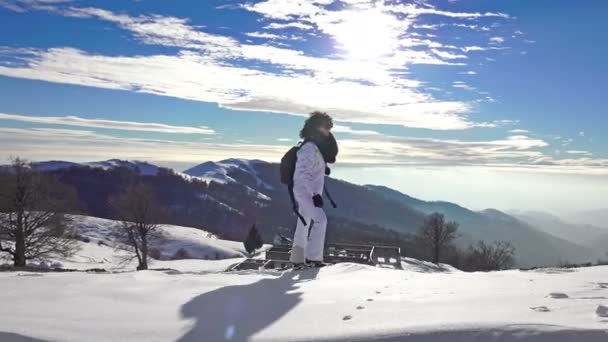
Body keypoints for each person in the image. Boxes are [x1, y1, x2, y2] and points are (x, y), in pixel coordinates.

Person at [290, 111, 338, 267]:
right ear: (317, 127)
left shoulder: (315, 147)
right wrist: (313, 194)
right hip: (304, 192)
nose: (328, 131)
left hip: (308, 192)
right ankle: (313, 258)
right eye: (326, 127)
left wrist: (323, 168)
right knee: (321, 219)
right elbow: (302, 174)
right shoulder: (309, 148)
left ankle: (297, 259)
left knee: (304, 222)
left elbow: (312, 168)